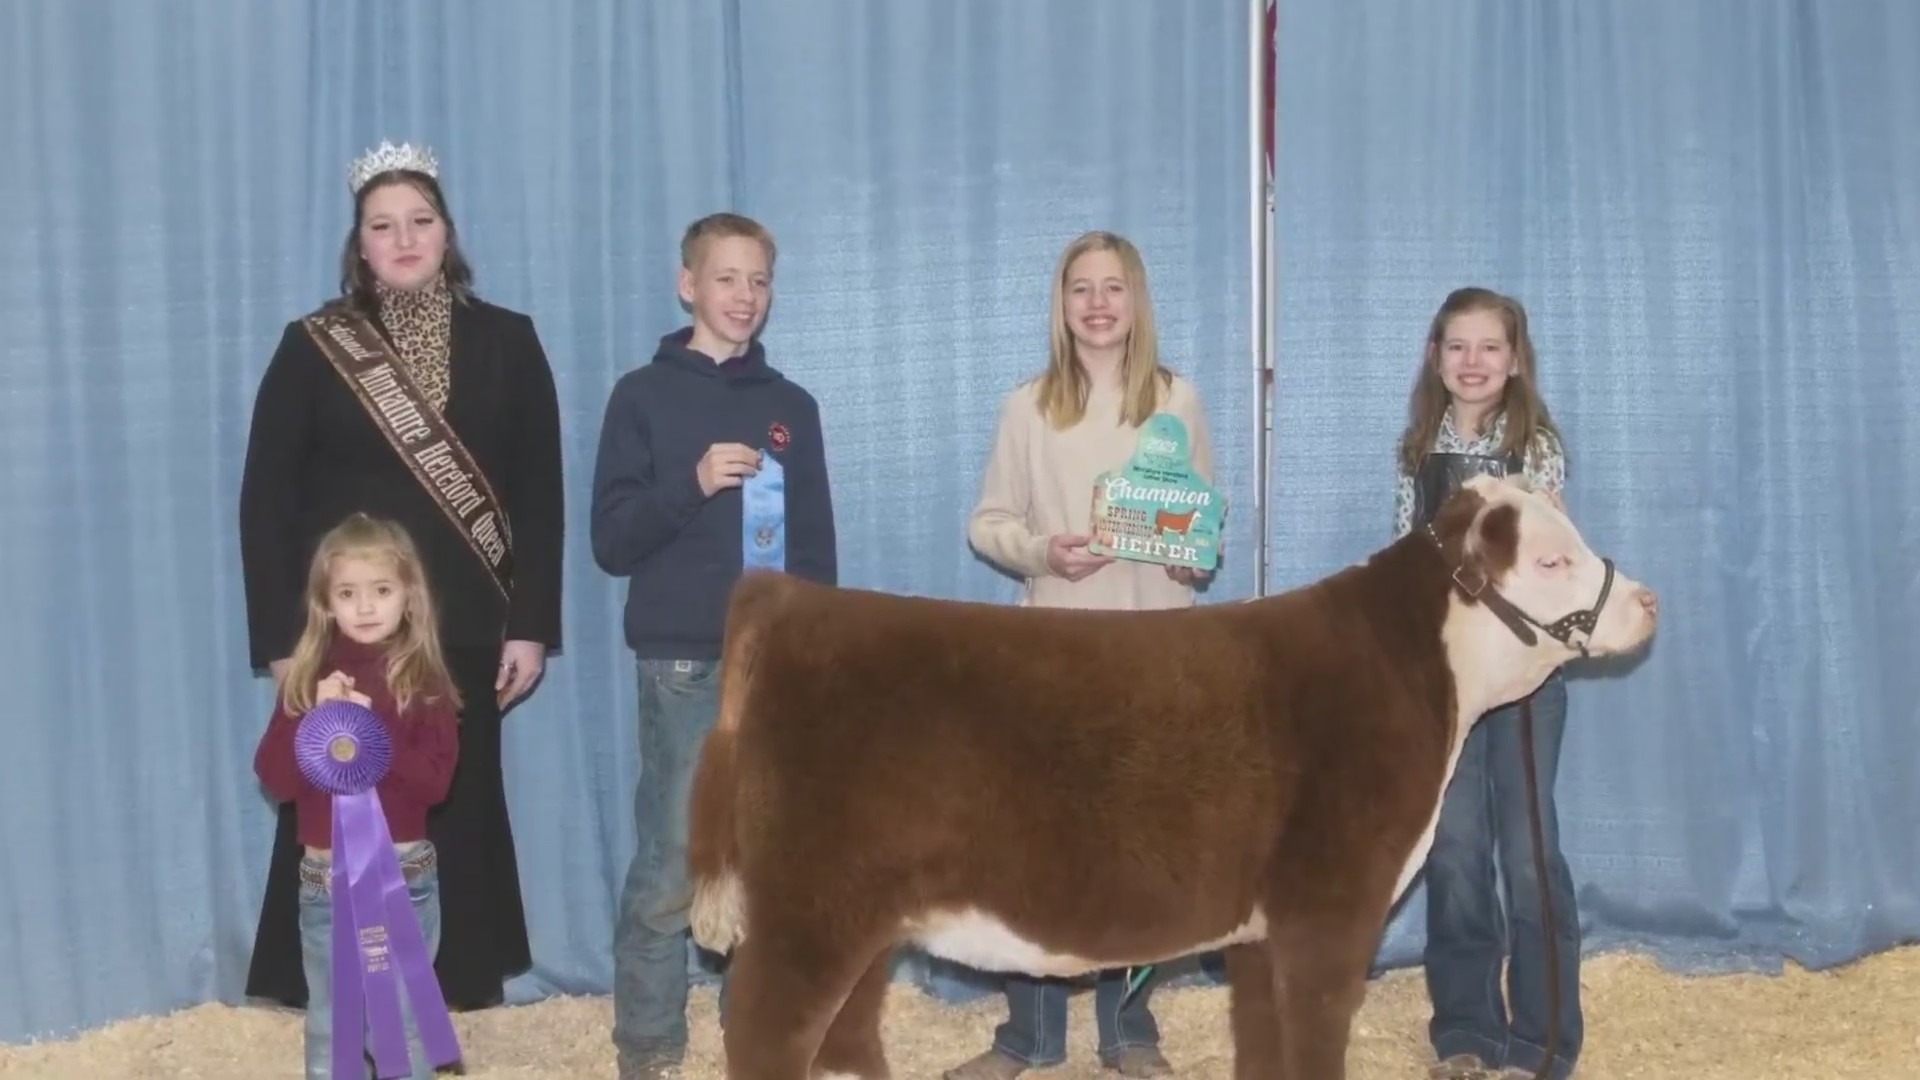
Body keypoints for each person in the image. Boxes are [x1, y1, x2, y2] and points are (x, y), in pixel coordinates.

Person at [238, 139, 566, 1013]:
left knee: (452, 796)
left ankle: (451, 991)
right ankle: (334, 992)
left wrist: (531, 622)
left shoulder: (510, 340)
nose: (405, 238)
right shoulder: (314, 347)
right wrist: (281, 640)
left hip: (462, 623)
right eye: (383, 226)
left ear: (448, 232)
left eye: (420, 221)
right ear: (360, 246)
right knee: (333, 796)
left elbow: (541, 491)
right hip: (347, 629)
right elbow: (265, 498)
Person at [950, 230, 1217, 1080]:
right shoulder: (1025, 407)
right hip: (1056, 653)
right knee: (1038, 847)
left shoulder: (1179, 401)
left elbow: (1203, 539)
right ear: (1061, 307)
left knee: (1145, 846)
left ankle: (1129, 1032)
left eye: (1114, 288)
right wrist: (1042, 553)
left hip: (1154, 651)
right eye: (1081, 290)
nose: (1098, 304)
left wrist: (1189, 555)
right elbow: (988, 522)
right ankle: (1028, 1036)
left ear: (1137, 301)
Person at [591, 211, 838, 1080]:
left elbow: (814, 553)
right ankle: (650, 1049)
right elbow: (612, 541)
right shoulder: (640, 398)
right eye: (727, 278)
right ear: (687, 284)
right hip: (682, 664)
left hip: (774, 672)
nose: (745, 296)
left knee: (766, 871)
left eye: (760, 280)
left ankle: (756, 1043)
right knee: (671, 866)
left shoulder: (792, 409)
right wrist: (690, 485)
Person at [1393, 286, 1583, 1080]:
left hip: (1527, 676)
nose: (1473, 363)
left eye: (1490, 348)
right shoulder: (1416, 451)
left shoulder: (1536, 448)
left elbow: (1545, 559)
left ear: (1515, 361)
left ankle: (1542, 1040)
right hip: (1451, 679)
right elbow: (1411, 558)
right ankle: (1464, 1032)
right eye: (1457, 347)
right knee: (1456, 848)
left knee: (1529, 848)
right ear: (1436, 357)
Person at [252, 512, 461, 1079]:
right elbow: (273, 777)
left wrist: (374, 737)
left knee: (402, 1021)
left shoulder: (424, 682)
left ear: (409, 597)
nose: (365, 607)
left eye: (381, 590)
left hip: (404, 877)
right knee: (330, 1024)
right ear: (326, 603)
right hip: (323, 882)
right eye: (348, 593)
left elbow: (435, 782)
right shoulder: (306, 680)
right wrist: (312, 721)